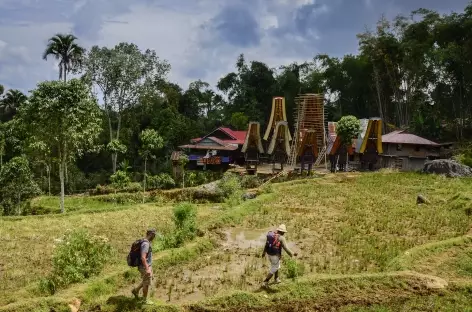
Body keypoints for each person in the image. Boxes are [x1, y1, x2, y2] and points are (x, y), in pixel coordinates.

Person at [132, 229, 156, 303]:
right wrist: (147, 268)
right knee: (146, 283)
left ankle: (135, 290)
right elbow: (143, 257)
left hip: (145, 265)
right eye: (154, 235)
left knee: (147, 280)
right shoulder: (146, 244)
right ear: (151, 234)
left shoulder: (145, 242)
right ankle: (144, 300)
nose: (155, 236)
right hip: (144, 266)